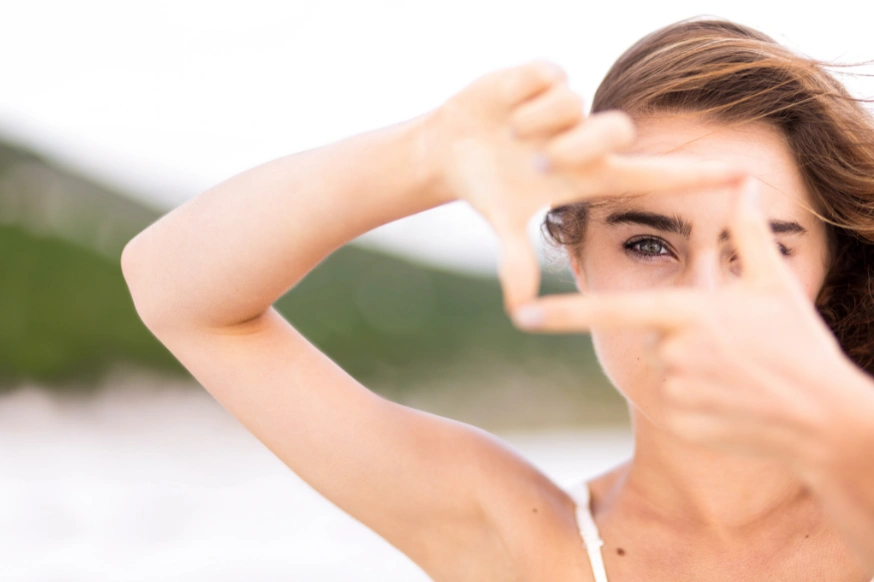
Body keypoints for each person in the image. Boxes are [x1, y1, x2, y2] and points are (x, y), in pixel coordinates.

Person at [120, 16, 874, 581]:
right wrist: (425, 155)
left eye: (762, 251)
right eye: (649, 244)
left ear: (825, 275)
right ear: (576, 257)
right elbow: (175, 290)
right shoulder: (526, 543)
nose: (700, 302)